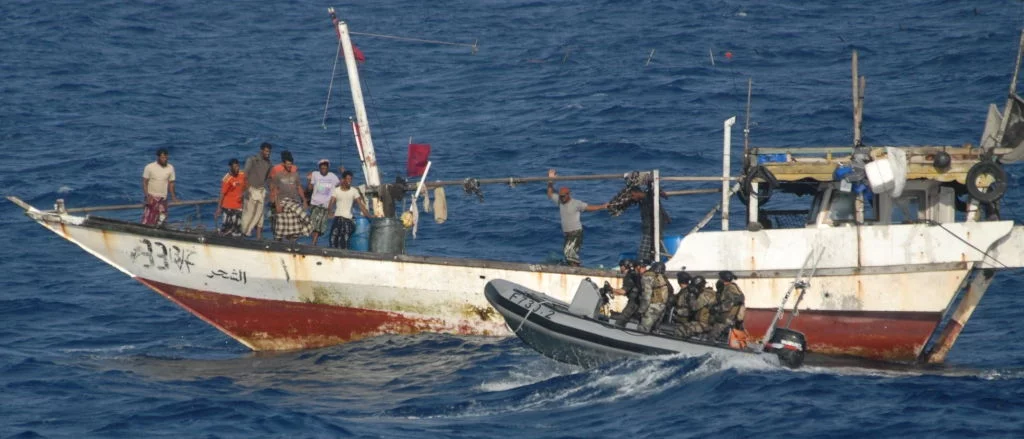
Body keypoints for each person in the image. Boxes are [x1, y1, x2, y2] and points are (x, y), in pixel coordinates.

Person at [546, 169, 608, 266]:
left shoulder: (576, 203)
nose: (562, 198)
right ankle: (575, 268)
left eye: (563, 196)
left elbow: (589, 207)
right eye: (561, 196)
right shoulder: (560, 201)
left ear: (568, 194)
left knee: (569, 253)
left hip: (576, 232)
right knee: (569, 255)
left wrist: (602, 206)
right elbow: (550, 194)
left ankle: (577, 269)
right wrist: (550, 180)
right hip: (567, 234)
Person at [268, 150, 311, 242]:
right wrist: (276, 203)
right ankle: (278, 244)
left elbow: (298, 186)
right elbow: (273, 187)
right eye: (287, 163)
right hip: (281, 201)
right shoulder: (277, 172)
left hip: (293, 201)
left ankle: (292, 244)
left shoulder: (295, 172)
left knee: (294, 226)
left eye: (290, 164)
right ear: (283, 162)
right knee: (281, 226)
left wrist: (304, 200)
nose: (289, 166)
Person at [627, 186, 671, 265]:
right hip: (649, 227)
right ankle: (653, 263)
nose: (632, 198)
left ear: (637, 193)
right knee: (654, 248)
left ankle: (647, 265)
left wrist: (660, 191)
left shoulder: (650, 196)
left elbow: (655, 189)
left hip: (652, 228)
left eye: (633, 195)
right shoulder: (641, 200)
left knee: (644, 252)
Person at [327, 170, 370, 249]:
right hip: (337, 219)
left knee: (344, 241)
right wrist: (329, 213)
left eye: (351, 179)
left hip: (347, 220)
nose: (349, 181)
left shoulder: (354, 191)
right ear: (343, 180)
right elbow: (331, 203)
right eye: (348, 179)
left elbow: (361, 205)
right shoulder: (336, 190)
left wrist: (369, 216)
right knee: (333, 239)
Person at [241, 142, 273, 239]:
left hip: (261, 191)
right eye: (266, 151)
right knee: (249, 214)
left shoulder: (269, 163)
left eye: (269, 151)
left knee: (260, 216)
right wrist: (246, 190)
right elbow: (245, 175)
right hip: (251, 190)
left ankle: (259, 237)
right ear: (261, 150)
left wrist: (272, 191)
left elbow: (268, 179)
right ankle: (244, 234)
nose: (268, 153)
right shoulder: (252, 160)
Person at [307, 159, 340, 245]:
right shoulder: (315, 174)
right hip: (315, 203)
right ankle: (313, 242)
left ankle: (313, 243)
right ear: (319, 167)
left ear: (328, 167)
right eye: (322, 167)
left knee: (320, 227)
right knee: (312, 225)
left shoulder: (332, 176)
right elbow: (309, 189)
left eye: (325, 167)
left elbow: (339, 186)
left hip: (326, 205)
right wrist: (309, 181)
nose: (323, 168)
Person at [141, 148, 177, 226]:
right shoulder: (149, 167)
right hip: (152, 197)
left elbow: (171, 183)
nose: (165, 159)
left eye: (166, 157)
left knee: (161, 220)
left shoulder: (170, 168)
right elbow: (144, 183)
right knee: (148, 220)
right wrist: (147, 196)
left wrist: (174, 197)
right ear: (158, 157)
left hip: (163, 198)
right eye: (162, 157)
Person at [674, 274, 717, 339]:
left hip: (705, 323)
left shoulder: (707, 294)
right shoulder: (701, 293)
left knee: (680, 330)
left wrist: (692, 296)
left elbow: (694, 307)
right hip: (697, 321)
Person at [637, 261, 673, 333]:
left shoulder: (648, 277)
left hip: (653, 306)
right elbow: (671, 291)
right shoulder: (663, 278)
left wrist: (641, 310)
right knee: (654, 331)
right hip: (662, 306)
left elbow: (646, 296)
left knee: (642, 330)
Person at [711, 270, 746, 342]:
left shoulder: (730, 288)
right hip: (733, 318)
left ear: (723, 279)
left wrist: (717, 308)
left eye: (720, 278)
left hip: (728, 318)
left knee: (712, 336)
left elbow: (731, 302)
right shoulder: (732, 286)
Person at [215, 158, 247, 237]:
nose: (237, 168)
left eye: (238, 166)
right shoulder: (226, 179)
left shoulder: (243, 174)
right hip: (228, 207)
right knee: (227, 228)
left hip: (239, 206)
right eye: (235, 167)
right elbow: (222, 194)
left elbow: (247, 185)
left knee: (238, 229)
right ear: (231, 167)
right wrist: (219, 208)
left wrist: (244, 193)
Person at [612, 259, 644, 327]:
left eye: (621, 266)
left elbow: (623, 291)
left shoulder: (629, 276)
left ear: (624, 267)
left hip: (634, 302)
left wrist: (611, 289)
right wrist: (614, 292)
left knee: (620, 320)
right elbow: (627, 291)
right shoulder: (634, 274)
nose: (620, 268)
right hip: (638, 300)